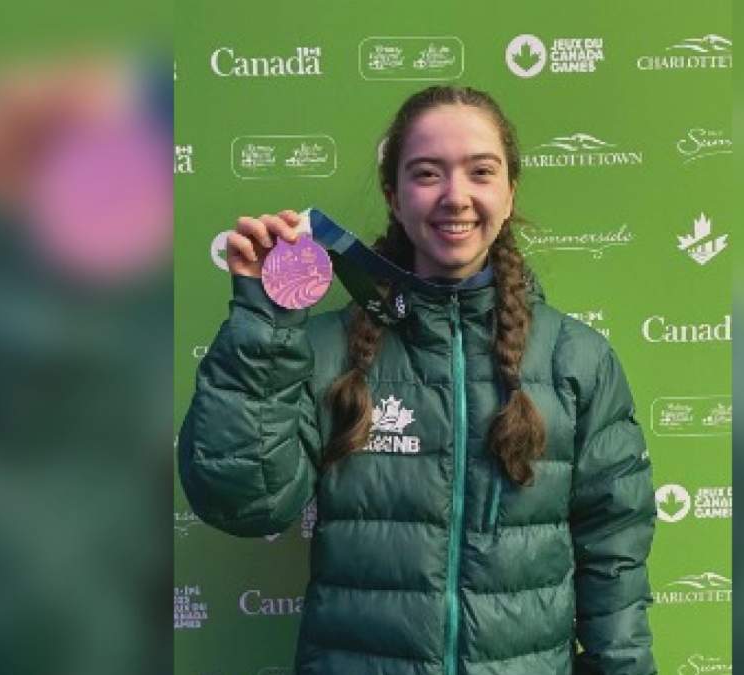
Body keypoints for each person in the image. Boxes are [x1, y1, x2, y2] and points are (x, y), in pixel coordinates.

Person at [178, 85, 656, 675]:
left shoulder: (577, 359)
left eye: (481, 172)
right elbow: (244, 502)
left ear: (510, 193)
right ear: (394, 195)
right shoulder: (325, 350)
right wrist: (262, 323)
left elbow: (614, 560)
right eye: (427, 173)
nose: (456, 197)